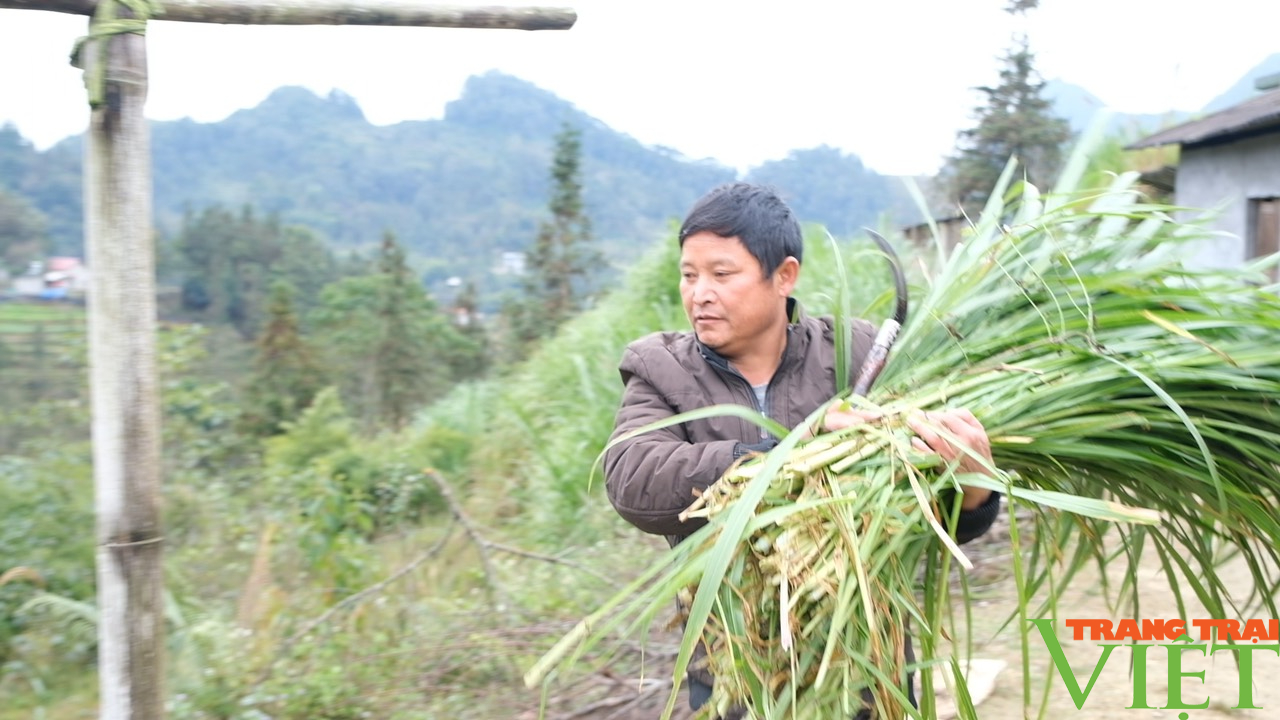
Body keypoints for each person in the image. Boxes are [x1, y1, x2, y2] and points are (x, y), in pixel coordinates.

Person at [602, 182, 1001, 718]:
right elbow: (635, 480)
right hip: (735, 671)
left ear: (784, 275)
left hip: (866, 670)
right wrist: (792, 448)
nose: (700, 293)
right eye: (689, 274)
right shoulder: (660, 367)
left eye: (722, 274)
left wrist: (973, 482)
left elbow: (940, 523)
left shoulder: (860, 357)